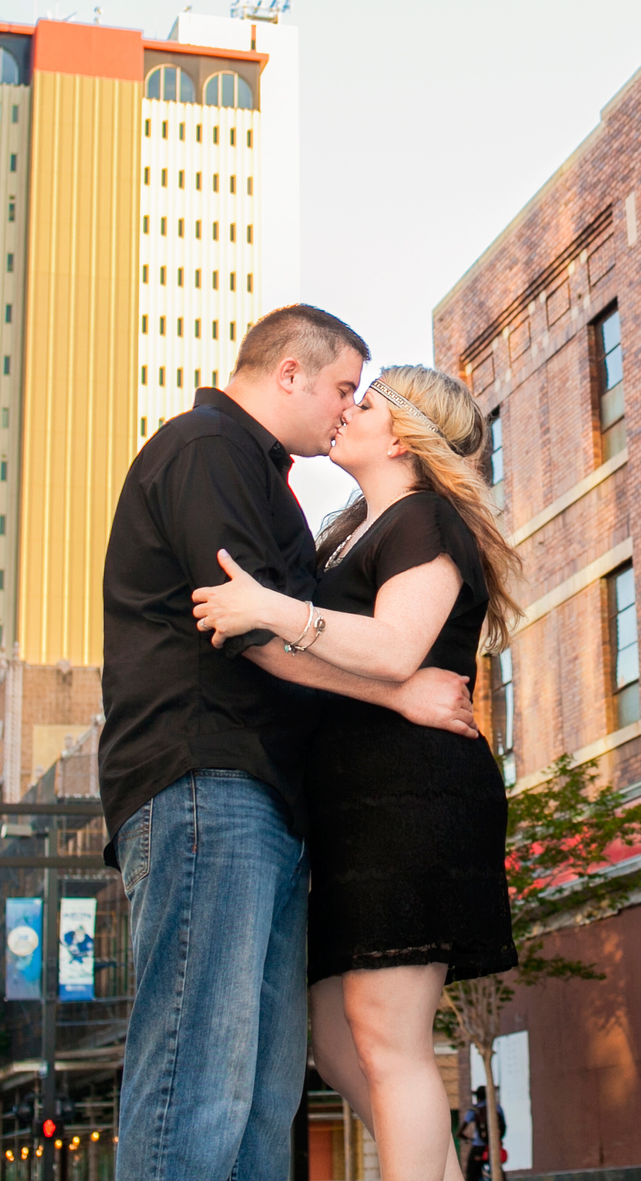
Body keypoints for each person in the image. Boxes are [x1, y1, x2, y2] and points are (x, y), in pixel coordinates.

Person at [101, 309, 483, 1181]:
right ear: (289, 373)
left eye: (364, 397)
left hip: (270, 802)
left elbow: (289, 626)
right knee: (199, 1078)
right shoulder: (210, 451)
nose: (348, 408)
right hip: (208, 779)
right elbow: (250, 632)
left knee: (260, 1097)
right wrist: (402, 690)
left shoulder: (285, 489)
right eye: (345, 386)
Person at [192, 365, 522, 1181]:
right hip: (352, 806)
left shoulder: (426, 520)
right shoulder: (351, 532)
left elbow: (393, 649)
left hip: (413, 795)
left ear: (404, 433)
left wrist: (271, 609)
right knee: (340, 1039)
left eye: (363, 400)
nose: (346, 410)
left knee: (386, 1033)